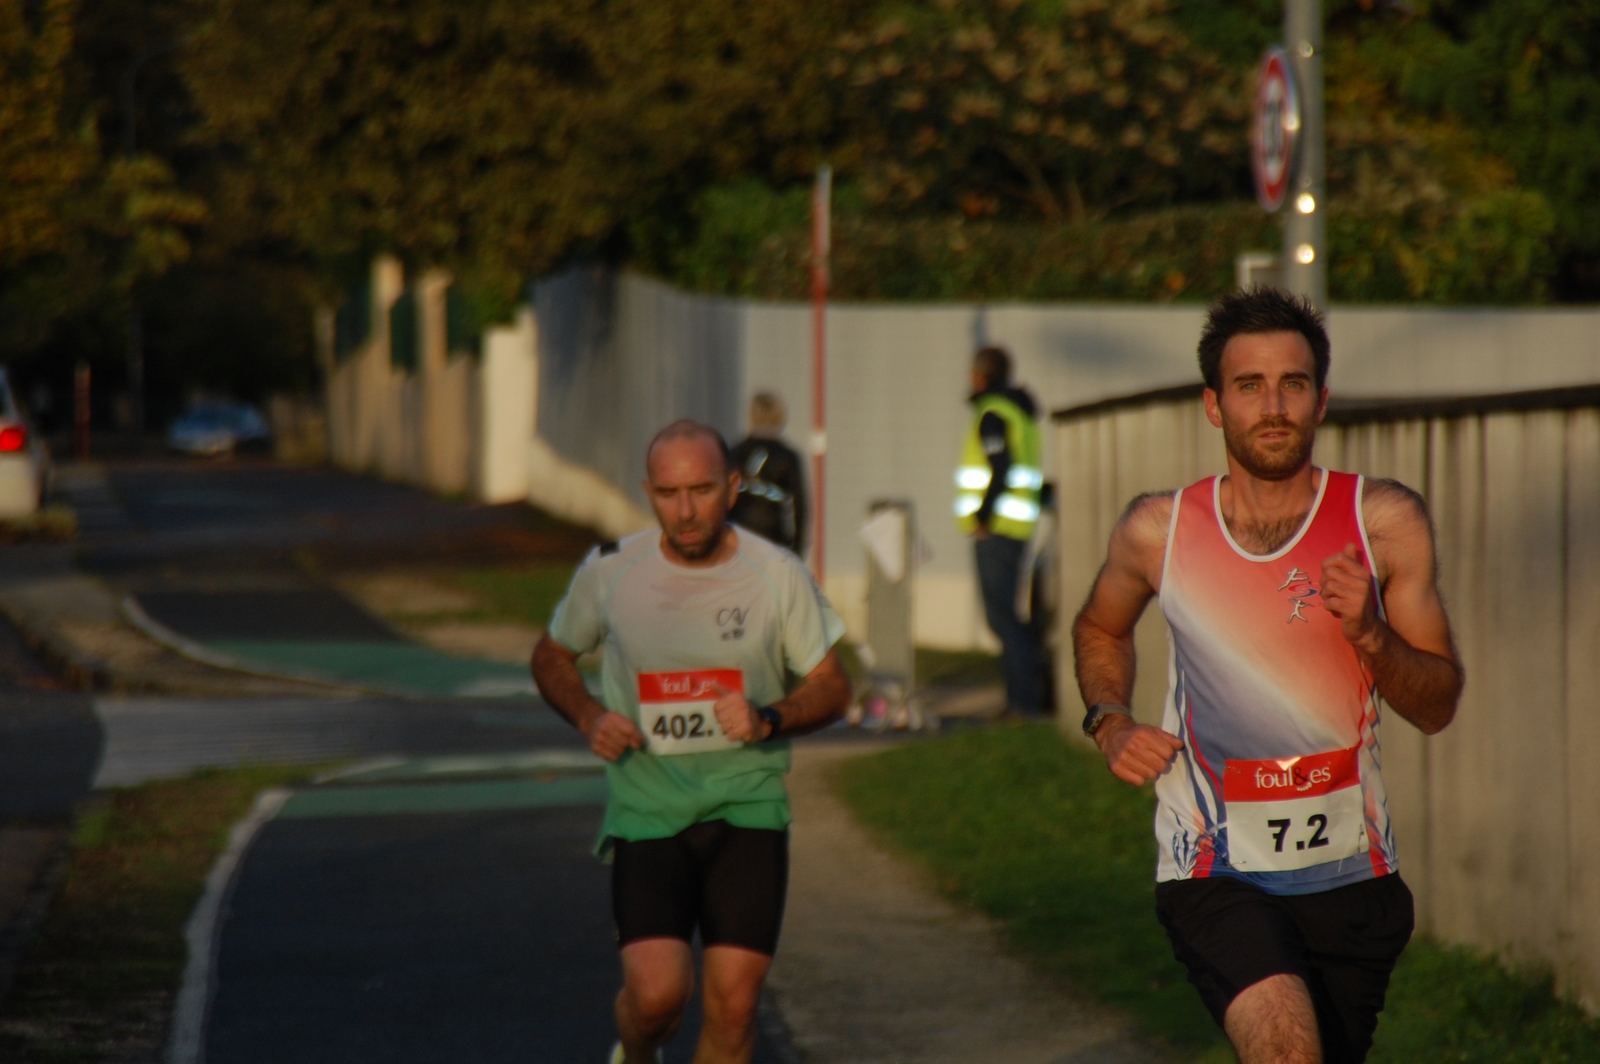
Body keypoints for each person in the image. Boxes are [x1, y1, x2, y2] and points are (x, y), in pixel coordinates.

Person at [1071, 288, 1464, 1064]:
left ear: (1322, 400)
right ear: (1214, 406)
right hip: (1214, 865)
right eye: (1249, 386)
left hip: (1352, 875)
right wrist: (1109, 721)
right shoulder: (1159, 530)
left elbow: (1437, 705)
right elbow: (1100, 626)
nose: (1274, 407)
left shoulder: (1381, 522)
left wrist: (1373, 637)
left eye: (1293, 384)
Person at [530, 419, 851, 1064]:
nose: (685, 511)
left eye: (701, 491)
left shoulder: (776, 573)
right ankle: (634, 1052)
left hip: (747, 807)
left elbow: (832, 686)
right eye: (668, 493)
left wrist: (768, 718)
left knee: (735, 1008)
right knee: (657, 1000)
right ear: (647, 492)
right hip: (649, 813)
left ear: (731, 488)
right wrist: (590, 717)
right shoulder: (611, 570)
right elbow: (551, 656)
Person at [955, 344, 1047, 715]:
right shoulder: (1020, 414)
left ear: (980, 376)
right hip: (1018, 527)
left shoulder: (992, 414)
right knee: (1010, 619)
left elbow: (1001, 467)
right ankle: (1026, 697)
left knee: (1003, 621)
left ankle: (1022, 703)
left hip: (996, 530)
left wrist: (982, 517)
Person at [729, 392, 808, 556]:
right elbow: (799, 505)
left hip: (740, 534)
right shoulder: (787, 457)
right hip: (774, 536)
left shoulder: (736, 453)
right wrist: (797, 547)